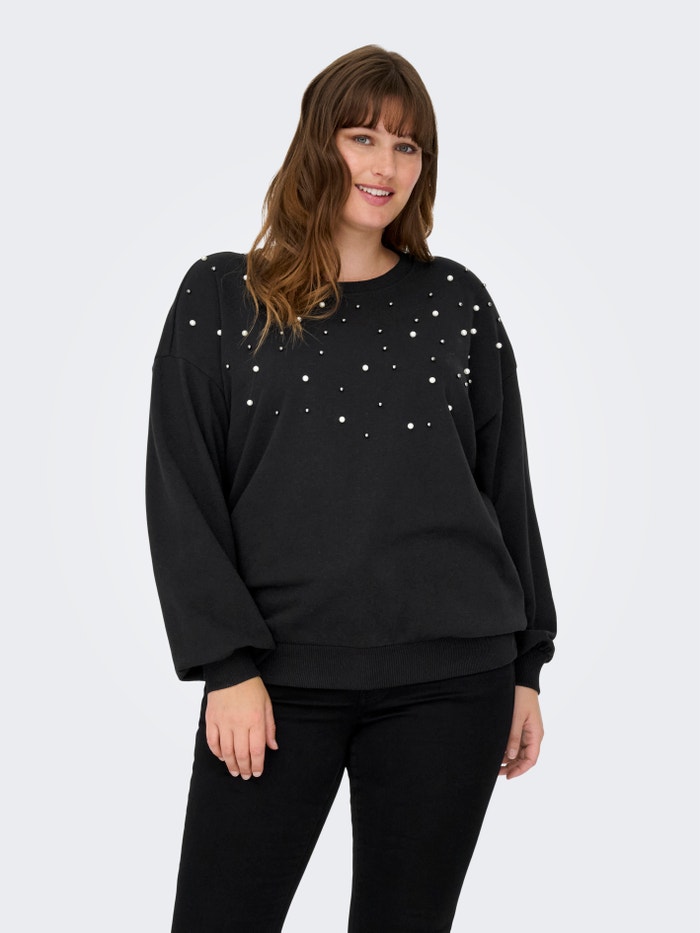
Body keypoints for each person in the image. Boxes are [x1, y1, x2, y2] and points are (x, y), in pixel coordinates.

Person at [145, 44, 557, 933]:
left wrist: (527, 666)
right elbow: (182, 487)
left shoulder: (457, 301)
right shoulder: (223, 294)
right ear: (318, 143)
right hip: (274, 682)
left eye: (408, 147)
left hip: (456, 679)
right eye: (362, 137)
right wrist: (227, 665)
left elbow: (505, 486)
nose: (385, 165)